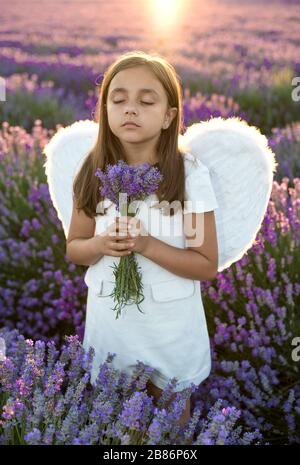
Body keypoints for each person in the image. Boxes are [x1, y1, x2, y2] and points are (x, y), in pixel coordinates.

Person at [66, 51, 219, 430]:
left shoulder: (188, 175)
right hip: (112, 326)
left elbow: (205, 263)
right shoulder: (93, 169)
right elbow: (74, 248)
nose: (130, 109)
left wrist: (147, 245)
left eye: (146, 101)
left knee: (172, 423)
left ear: (169, 115)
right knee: (119, 422)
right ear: (104, 110)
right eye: (118, 100)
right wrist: (100, 245)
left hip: (168, 325)